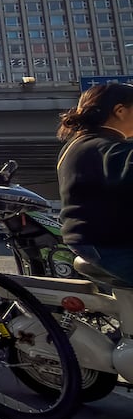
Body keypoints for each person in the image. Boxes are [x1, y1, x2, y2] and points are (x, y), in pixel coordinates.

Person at [56, 82, 133, 284]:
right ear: (120, 110)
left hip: (92, 241)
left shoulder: (80, 144)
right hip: (111, 245)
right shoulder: (103, 147)